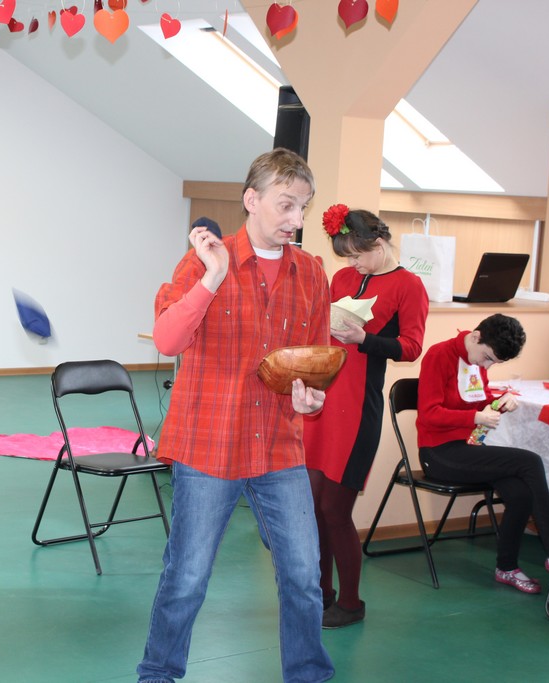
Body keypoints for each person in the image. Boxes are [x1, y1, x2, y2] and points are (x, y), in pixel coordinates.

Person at [137, 149, 334, 683]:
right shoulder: (203, 261)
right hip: (209, 444)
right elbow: (167, 340)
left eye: (304, 207)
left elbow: (313, 361)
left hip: (278, 446)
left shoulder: (312, 274)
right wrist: (213, 277)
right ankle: (158, 673)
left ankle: (308, 674)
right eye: (286, 204)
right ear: (252, 199)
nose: (296, 219)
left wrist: (310, 397)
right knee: (187, 577)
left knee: (304, 576)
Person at [303, 206, 428, 629]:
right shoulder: (341, 279)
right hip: (322, 402)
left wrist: (364, 338)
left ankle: (351, 602)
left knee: (335, 510)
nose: (352, 264)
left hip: (358, 410)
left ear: (379, 242)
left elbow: (412, 347)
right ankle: (320, 593)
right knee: (312, 508)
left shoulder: (409, 285)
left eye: (358, 255)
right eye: (347, 257)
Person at [416, 313, 549, 594]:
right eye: (487, 358)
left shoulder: (476, 358)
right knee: (530, 461)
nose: (486, 365)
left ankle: (507, 568)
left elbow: (476, 398)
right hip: (439, 453)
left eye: (494, 363)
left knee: (520, 493)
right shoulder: (439, 355)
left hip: (470, 447)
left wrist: (498, 400)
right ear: (476, 337)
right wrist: (476, 418)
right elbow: (429, 414)